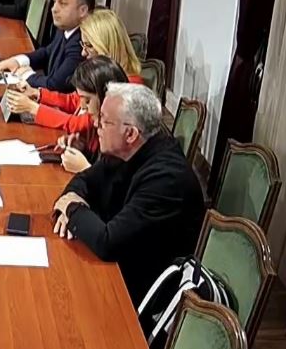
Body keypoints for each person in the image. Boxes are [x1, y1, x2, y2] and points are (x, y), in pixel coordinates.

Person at [52, 83, 206, 303]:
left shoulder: (166, 180)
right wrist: (73, 202)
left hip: (145, 296)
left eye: (104, 121)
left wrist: (71, 208)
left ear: (131, 133)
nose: (95, 124)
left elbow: (108, 242)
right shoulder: (126, 150)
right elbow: (84, 180)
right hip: (121, 270)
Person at [5, 9, 143, 140]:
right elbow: (74, 100)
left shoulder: (128, 88)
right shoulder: (101, 75)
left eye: (89, 46)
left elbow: (81, 123)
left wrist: (33, 108)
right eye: (83, 45)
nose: (83, 53)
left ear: (106, 46)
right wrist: (37, 94)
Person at [0, 0, 95, 92]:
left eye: (63, 4)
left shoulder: (82, 43)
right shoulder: (66, 28)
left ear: (83, 10)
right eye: (54, 2)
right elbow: (47, 52)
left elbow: (55, 85)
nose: (54, 9)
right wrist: (17, 61)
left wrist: (26, 74)